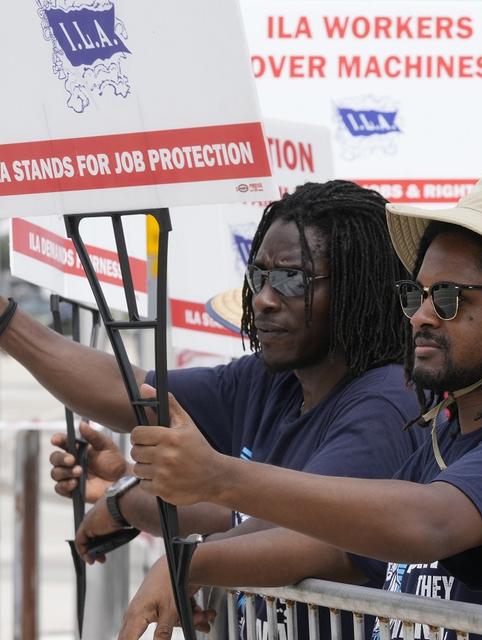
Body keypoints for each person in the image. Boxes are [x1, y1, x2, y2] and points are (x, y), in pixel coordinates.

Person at [127, 174, 482, 640]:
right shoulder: (449, 435)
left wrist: (220, 477)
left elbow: (426, 526)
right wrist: (192, 562)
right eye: (415, 293)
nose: (420, 316)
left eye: (448, 296)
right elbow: (340, 546)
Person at [11, 180, 423, 637]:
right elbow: (128, 392)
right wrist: (8, 321)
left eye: (290, 279)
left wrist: (189, 564)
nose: (265, 299)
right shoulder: (268, 381)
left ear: (357, 288)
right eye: (258, 276)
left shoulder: (387, 401)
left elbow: (323, 531)